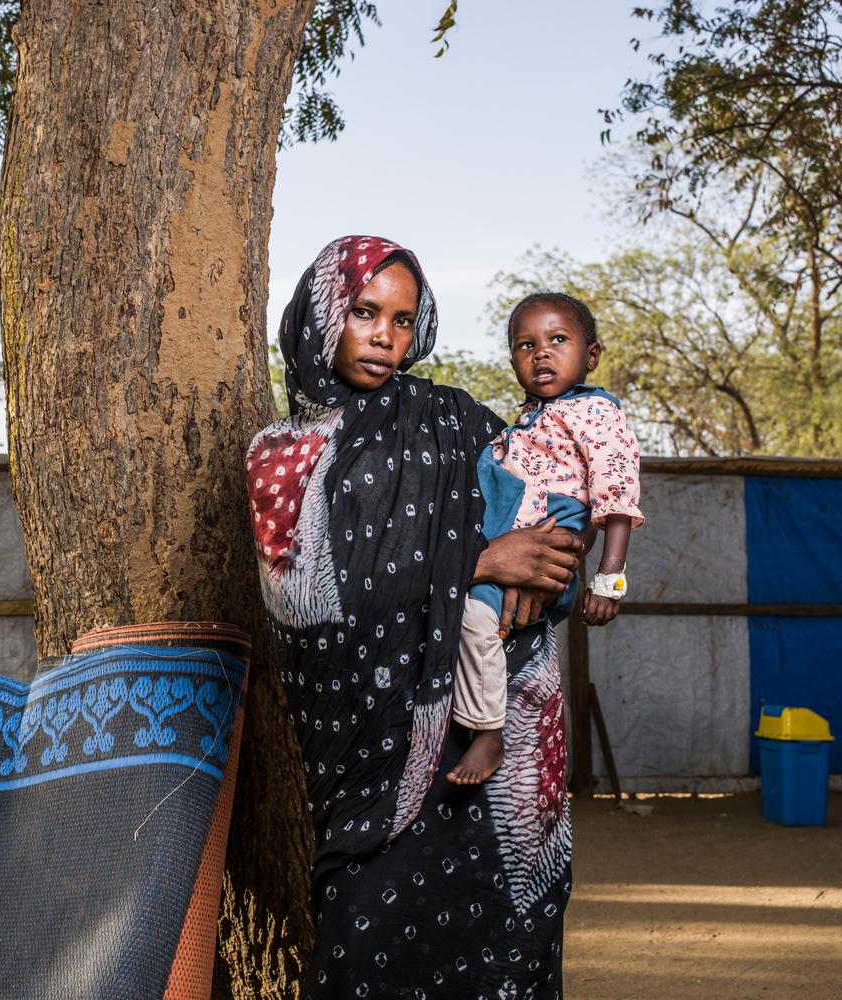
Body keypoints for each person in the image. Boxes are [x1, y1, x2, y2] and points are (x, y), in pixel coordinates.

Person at [246, 236, 583, 999]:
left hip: (495, 731)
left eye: (402, 319)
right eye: (364, 312)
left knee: (505, 935)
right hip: (370, 750)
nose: (384, 336)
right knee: (364, 942)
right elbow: (308, 609)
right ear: (322, 314)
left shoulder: (452, 417)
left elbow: (542, 505)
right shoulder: (281, 454)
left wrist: (546, 555)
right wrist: (479, 563)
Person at [448, 292, 645, 785]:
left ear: (591, 355)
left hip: (544, 536)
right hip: (505, 536)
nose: (541, 353)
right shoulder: (527, 420)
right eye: (525, 345)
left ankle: (488, 731)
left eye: (558, 339)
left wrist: (608, 583)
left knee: (473, 618)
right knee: (466, 622)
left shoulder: (596, 415)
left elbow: (616, 500)